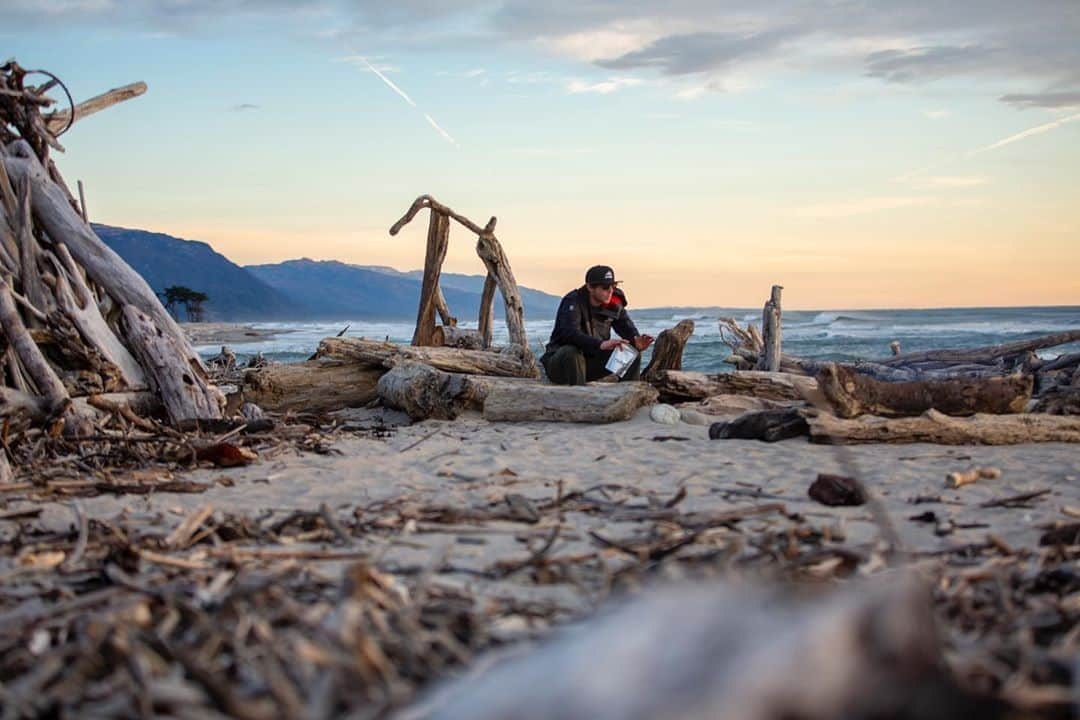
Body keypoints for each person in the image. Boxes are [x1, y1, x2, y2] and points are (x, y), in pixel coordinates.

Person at [541, 265, 654, 385]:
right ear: (590, 287)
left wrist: (636, 340)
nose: (610, 290)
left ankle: (630, 396)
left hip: (590, 365)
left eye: (613, 285)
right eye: (605, 287)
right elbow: (569, 334)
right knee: (571, 352)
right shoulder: (573, 301)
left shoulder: (614, 302)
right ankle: (579, 396)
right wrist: (600, 344)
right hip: (561, 366)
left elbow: (626, 326)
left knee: (630, 353)